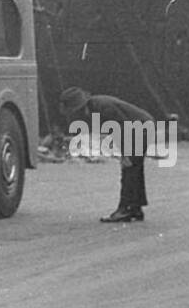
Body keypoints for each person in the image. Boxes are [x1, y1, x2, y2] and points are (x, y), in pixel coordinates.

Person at [59, 86, 155, 223]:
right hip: (138, 127)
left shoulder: (103, 107)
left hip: (140, 128)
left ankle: (125, 209)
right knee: (135, 169)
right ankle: (135, 208)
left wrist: (125, 154)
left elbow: (124, 127)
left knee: (129, 168)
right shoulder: (92, 109)